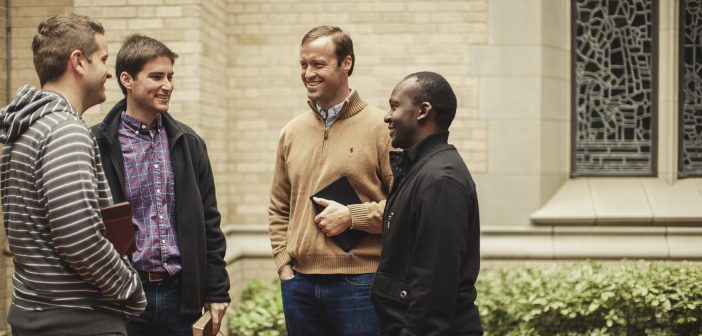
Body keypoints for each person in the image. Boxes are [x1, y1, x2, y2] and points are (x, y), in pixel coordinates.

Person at [0, 13, 146, 335]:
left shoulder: (25, 128)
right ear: (78, 62)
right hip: (77, 321)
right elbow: (80, 240)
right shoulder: (66, 131)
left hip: (37, 315)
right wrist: (131, 291)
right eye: (103, 59)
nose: (109, 71)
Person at [90, 34, 230, 336]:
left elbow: (209, 221)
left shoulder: (189, 143)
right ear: (127, 79)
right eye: (157, 76)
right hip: (122, 295)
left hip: (180, 297)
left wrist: (217, 289)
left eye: (170, 76)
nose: (168, 85)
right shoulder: (96, 143)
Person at [268, 25, 393, 336]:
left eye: (318, 64)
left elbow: (404, 206)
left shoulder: (382, 128)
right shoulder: (291, 132)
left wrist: (353, 216)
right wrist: (284, 263)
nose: (308, 73)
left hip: (359, 282)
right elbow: (278, 206)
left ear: (345, 63)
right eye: (303, 64)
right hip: (299, 284)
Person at [372, 72, 483, 335]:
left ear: (423, 111)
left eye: (395, 106)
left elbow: (433, 285)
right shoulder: (418, 170)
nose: (387, 116)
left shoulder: (440, 180)